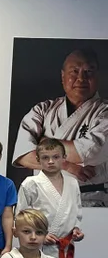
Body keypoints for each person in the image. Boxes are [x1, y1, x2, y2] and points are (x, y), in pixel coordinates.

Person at [13, 48, 108, 204]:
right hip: (43, 200)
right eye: (74, 71)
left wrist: (44, 143)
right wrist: (67, 165)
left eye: (88, 72)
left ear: (97, 76)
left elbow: (87, 152)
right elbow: (23, 156)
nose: (81, 78)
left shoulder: (104, 112)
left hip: (90, 200)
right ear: (63, 77)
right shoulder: (42, 110)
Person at [15, 138, 83, 258]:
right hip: (39, 245)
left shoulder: (72, 183)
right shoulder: (31, 183)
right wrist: (40, 235)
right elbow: (21, 217)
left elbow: (76, 211)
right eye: (45, 158)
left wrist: (76, 229)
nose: (51, 161)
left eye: (56, 157)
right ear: (38, 159)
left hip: (65, 245)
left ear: (64, 157)